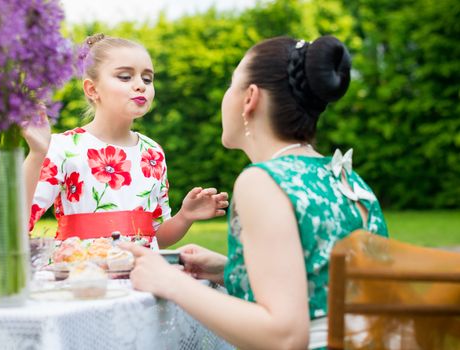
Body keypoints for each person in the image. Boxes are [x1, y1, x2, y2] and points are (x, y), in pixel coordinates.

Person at [120, 35, 388, 349]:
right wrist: (229, 269)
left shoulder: (262, 182)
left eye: (231, 84)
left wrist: (172, 282)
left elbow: (285, 336)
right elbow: (321, 283)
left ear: (250, 98)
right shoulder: (345, 176)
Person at [22, 34, 228, 248]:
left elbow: (155, 237)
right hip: (82, 277)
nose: (140, 85)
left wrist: (185, 216)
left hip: (143, 278)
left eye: (147, 79)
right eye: (125, 77)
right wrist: (37, 154)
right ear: (92, 89)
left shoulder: (152, 153)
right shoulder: (65, 148)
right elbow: (16, 222)